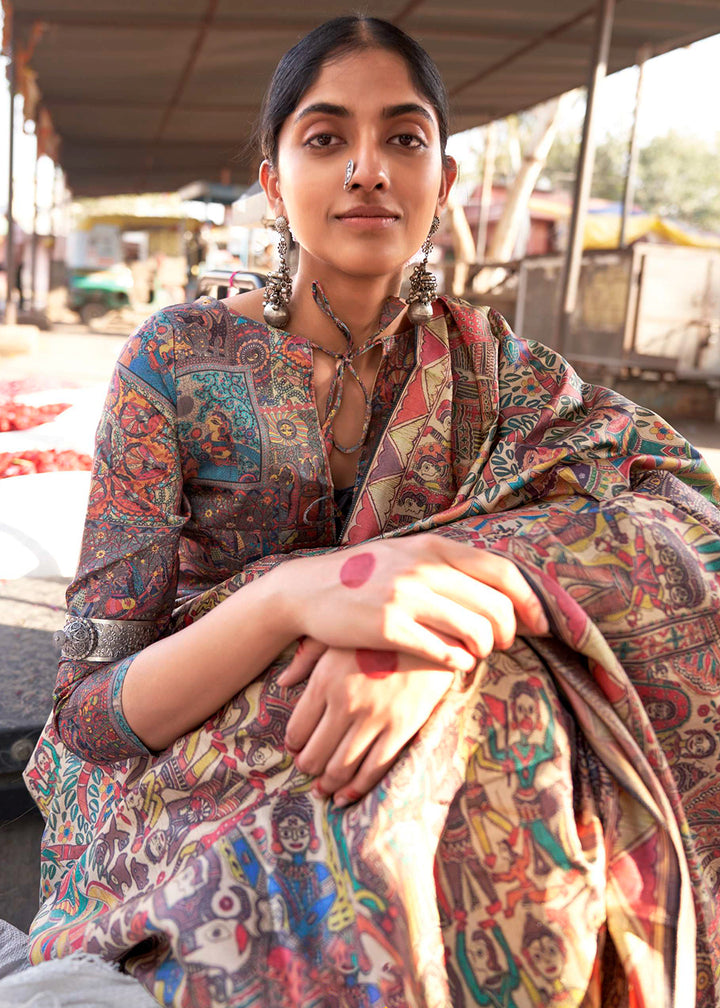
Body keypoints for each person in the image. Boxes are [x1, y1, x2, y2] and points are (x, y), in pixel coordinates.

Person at [3, 15, 720, 1008]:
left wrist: (456, 613)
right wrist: (298, 597)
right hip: (193, 769)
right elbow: (86, 712)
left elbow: (687, 512)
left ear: (446, 183)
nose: (368, 169)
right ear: (272, 180)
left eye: (405, 137)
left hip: (426, 749)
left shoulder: (505, 378)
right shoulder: (177, 360)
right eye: (328, 137)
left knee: (510, 709)